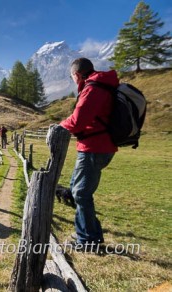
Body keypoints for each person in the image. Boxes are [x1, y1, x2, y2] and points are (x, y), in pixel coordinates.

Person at [60, 58, 118, 249]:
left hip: (94, 147)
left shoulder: (93, 88)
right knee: (77, 189)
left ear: (77, 74)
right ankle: (90, 233)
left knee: (81, 193)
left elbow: (78, 121)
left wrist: (59, 126)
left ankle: (87, 241)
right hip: (99, 145)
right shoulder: (101, 84)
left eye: (73, 77)